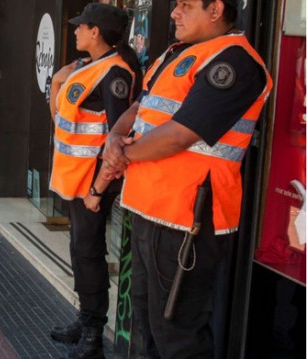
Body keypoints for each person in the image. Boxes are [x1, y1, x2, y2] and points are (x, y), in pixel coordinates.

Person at [98, 1, 272, 357]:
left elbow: (181, 134)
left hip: (187, 219)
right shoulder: (176, 54)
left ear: (215, 9)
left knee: (177, 334)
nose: (175, 12)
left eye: (185, 5)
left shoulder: (235, 61)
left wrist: (120, 155)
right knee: (149, 326)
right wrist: (114, 138)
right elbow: (140, 107)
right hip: (150, 209)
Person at [45, 4, 142, 358]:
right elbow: (63, 120)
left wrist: (98, 189)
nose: (74, 32)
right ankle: (85, 318)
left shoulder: (114, 74)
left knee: (89, 255)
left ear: (95, 32)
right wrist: (57, 80)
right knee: (80, 252)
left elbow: (120, 138)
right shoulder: (89, 68)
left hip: (92, 185)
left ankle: (93, 335)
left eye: (80, 27)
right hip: (75, 180)